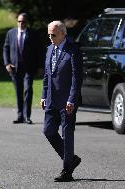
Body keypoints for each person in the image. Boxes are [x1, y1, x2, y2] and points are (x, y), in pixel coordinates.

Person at [41, 21, 83, 182]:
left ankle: (67, 171)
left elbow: (76, 78)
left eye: (54, 35)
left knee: (67, 135)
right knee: (48, 131)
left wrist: (72, 99)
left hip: (67, 102)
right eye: (49, 35)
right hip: (51, 99)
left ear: (63, 34)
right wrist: (44, 95)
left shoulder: (73, 51)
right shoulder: (49, 49)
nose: (50, 38)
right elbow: (46, 75)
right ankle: (71, 159)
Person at [3, 13, 43, 124]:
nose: (21, 23)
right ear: (17, 22)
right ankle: (20, 115)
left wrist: (40, 66)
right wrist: (7, 64)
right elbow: (6, 48)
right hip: (15, 68)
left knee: (27, 90)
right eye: (19, 21)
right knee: (18, 92)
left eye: (23, 21)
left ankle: (27, 116)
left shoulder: (33, 34)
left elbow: (39, 51)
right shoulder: (11, 33)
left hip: (29, 68)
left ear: (27, 22)